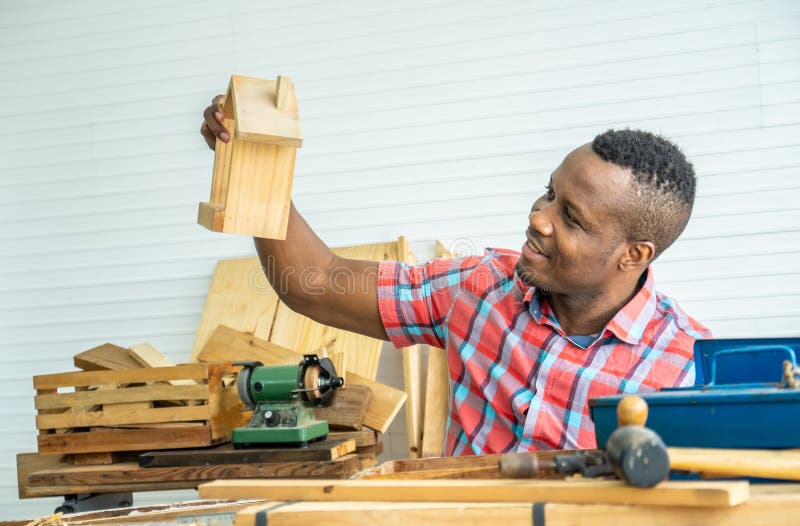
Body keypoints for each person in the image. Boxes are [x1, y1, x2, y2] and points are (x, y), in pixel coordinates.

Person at [201, 96, 711, 456]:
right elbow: (314, 281)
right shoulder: (479, 289)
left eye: (572, 218)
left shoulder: (687, 371)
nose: (539, 217)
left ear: (634, 254)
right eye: (548, 192)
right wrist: (255, 169)